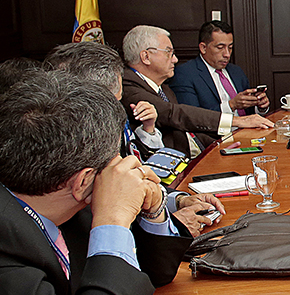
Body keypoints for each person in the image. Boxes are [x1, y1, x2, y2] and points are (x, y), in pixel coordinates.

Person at [0, 71, 194, 295]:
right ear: (84, 181)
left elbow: (151, 275)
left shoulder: (63, 202)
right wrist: (113, 219)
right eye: (115, 159)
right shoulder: (6, 246)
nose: (121, 167)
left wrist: (155, 208)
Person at [45, 42, 224, 237]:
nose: (118, 112)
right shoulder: (70, 157)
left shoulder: (108, 132)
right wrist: (171, 223)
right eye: (116, 103)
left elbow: (137, 179)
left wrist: (179, 200)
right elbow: (114, 229)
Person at [122, 25, 275, 157]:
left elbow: (190, 131)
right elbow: (177, 114)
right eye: (168, 52)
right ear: (146, 56)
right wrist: (237, 121)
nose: (175, 59)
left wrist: (220, 146)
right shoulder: (128, 85)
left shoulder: (163, 87)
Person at [169, 20, 269, 115]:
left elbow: (247, 111)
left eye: (230, 48)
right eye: (220, 48)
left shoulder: (236, 71)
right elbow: (191, 117)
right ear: (203, 48)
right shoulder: (185, 74)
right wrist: (231, 105)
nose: (227, 54)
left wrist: (260, 106)